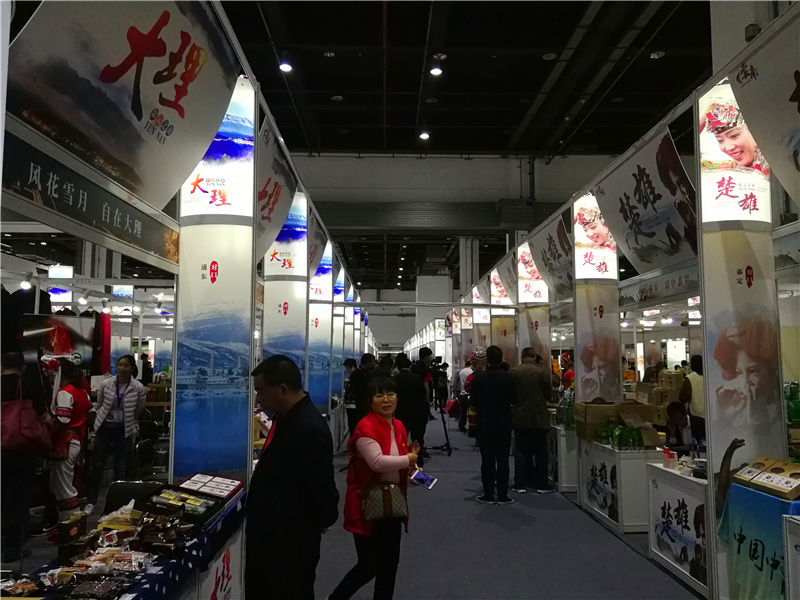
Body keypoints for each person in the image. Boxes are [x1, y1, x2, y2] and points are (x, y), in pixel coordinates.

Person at [246, 355, 339, 600]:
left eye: (261, 391)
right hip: (276, 536)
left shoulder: (307, 428)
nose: (258, 399)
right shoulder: (289, 418)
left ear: (282, 389)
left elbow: (321, 488)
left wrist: (318, 520)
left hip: (288, 543)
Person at [329, 377, 419, 600]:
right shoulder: (365, 426)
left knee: (390, 565)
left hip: (392, 503)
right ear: (369, 400)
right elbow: (376, 462)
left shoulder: (398, 425)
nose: (386, 400)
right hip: (367, 504)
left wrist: (413, 471)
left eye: (391, 394)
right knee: (369, 564)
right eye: (379, 395)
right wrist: (408, 460)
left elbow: (399, 459)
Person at [85, 355, 146, 515]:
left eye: (125, 366)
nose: (121, 368)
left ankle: (120, 503)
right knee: (97, 464)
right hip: (104, 428)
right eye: (119, 365)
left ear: (132, 368)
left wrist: (128, 419)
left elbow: (138, 409)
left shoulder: (138, 387)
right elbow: (100, 404)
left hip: (122, 430)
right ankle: (91, 501)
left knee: (121, 466)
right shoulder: (106, 384)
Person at [1, 352, 47, 563]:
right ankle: (13, 549)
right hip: (22, 449)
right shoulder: (26, 385)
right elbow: (42, 413)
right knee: (18, 499)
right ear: (23, 367)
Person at [470, 345, 517, 505]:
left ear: (486, 359)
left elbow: (473, 402)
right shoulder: (509, 378)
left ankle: (488, 494)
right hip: (504, 422)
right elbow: (514, 399)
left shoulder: (478, 378)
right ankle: (503, 495)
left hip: (485, 423)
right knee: (503, 459)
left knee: (487, 460)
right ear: (501, 358)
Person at [48, 359, 92, 520]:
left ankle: (71, 525)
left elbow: (63, 419)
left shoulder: (64, 393)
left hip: (65, 441)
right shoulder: (82, 391)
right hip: (76, 439)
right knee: (62, 483)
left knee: (63, 487)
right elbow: (90, 411)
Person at [510, 349, 553, 494]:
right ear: (534, 357)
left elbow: (511, 394)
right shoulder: (542, 372)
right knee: (541, 452)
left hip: (520, 417)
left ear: (522, 357)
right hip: (539, 417)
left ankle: (520, 484)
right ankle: (542, 484)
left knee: (521, 451)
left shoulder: (514, 372)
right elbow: (549, 394)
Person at [701, 100, 770, 174]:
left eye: (734, 136)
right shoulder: (728, 167)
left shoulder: (774, 166)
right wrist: (705, 117)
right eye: (720, 140)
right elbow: (693, 165)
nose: (728, 147)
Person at [393, 355, 428, 468]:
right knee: (417, 438)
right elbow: (423, 394)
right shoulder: (417, 378)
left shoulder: (395, 379)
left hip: (401, 412)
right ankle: (418, 462)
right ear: (410, 366)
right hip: (417, 412)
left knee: (401, 438)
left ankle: (402, 461)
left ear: (398, 367)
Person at [680, 354, 705, 440]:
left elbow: (683, 397)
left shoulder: (690, 378)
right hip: (711, 414)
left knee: (698, 439)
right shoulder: (709, 376)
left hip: (696, 415)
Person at [456, 360, 473, 433]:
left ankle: (461, 425)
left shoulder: (461, 372)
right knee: (472, 411)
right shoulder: (471, 372)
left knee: (463, 411)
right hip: (469, 394)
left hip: (463, 393)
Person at [343, 358, 359, 435]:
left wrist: (346, 383)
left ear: (351, 366)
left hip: (352, 405)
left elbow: (351, 389)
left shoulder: (354, 376)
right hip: (353, 405)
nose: (347, 370)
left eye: (347, 368)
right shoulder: (357, 374)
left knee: (352, 425)